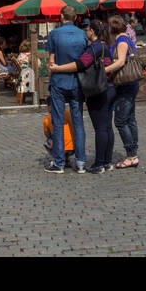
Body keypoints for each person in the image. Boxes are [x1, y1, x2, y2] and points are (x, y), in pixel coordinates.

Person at [49, 18, 114, 173]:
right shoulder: (106, 46)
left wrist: (58, 68)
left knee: (100, 129)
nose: (86, 32)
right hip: (110, 88)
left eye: (88, 30)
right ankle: (107, 161)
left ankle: (98, 164)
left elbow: (80, 64)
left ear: (92, 31)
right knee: (107, 127)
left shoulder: (94, 48)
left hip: (97, 90)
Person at [45, 12, 88, 173]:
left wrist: (50, 80)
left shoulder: (55, 34)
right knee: (78, 122)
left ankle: (59, 162)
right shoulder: (82, 35)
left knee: (58, 122)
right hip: (77, 82)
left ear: (62, 16)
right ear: (75, 17)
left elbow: (51, 61)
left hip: (59, 81)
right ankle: (81, 162)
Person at [105, 16, 140, 168]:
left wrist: (103, 70)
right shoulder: (127, 39)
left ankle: (131, 155)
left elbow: (120, 62)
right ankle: (133, 152)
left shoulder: (122, 41)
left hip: (126, 83)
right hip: (131, 83)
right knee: (130, 118)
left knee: (120, 121)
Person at [16, 40, 34, 105]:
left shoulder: (20, 55)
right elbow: (39, 64)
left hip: (21, 76)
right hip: (28, 77)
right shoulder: (29, 55)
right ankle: (39, 99)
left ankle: (22, 99)